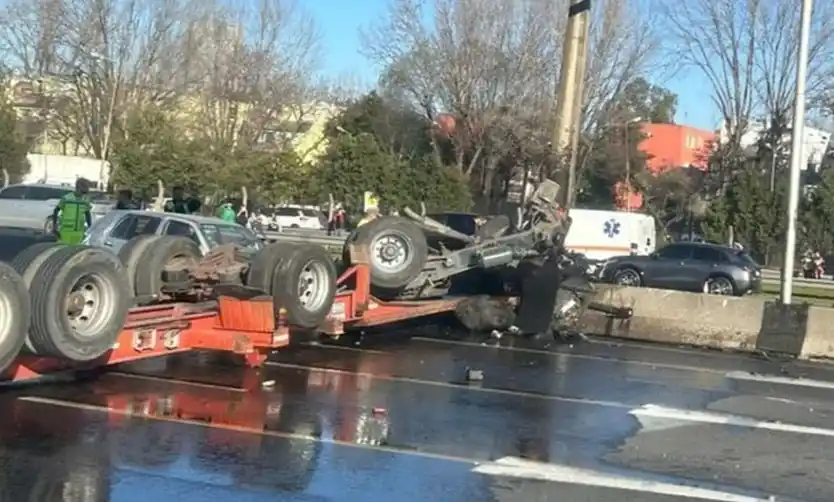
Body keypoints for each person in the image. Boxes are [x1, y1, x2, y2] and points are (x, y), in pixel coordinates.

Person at [53, 178, 92, 244]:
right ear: (79, 187)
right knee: (64, 251)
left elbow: (87, 213)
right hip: (66, 232)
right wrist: (55, 227)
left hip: (79, 232)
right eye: (86, 187)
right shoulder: (66, 198)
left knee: (77, 252)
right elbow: (56, 210)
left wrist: (90, 227)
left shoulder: (85, 200)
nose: (88, 189)